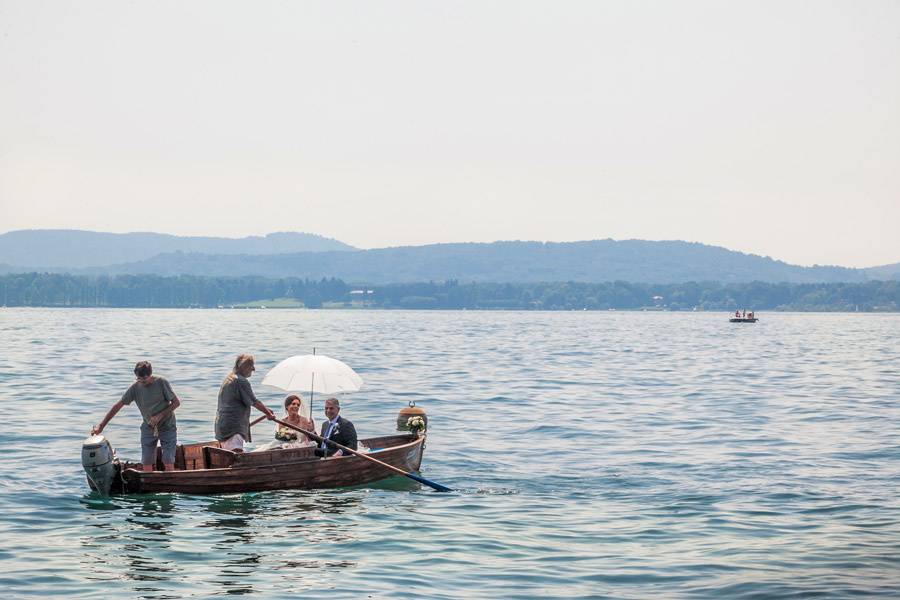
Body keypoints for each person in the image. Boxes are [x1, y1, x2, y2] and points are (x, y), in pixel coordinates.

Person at [91, 361, 181, 472]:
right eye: (139, 379)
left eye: (145, 379)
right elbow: (118, 406)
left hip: (167, 426)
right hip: (149, 428)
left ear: (150, 375)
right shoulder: (135, 388)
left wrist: (159, 416)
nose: (142, 382)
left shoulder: (161, 382)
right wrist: (101, 426)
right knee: (146, 462)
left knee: (167, 460)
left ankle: (169, 486)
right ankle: (150, 485)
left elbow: (176, 403)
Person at [215, 354, 275, 451]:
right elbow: (254, 402)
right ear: (245, 367)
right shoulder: (241, 381)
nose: (254, 369)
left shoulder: (228, 378)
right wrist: (268, 414)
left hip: (222, 426)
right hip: (233, 428)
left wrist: (267, 410)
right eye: (252, 366)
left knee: (228, 456)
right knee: (236, 458)